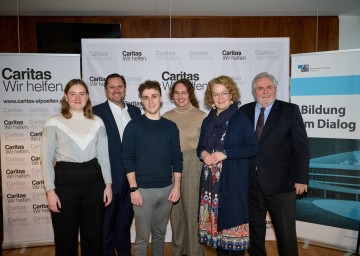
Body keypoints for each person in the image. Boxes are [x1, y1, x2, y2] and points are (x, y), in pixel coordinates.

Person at [240, 72, 310, 256]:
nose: (265, 91)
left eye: (269, 87)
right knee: (255, 232)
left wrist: (302, 178)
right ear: (254, 91)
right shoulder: (243, 112)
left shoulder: (290, 111)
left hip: (282, 185)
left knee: (286, 234)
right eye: (260, 88)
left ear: (275, 89)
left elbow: (302, 147)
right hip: (251, 185)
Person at [40, 79, 112, 256]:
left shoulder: (98, 121)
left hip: (94, 183)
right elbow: (46, 158)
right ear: (66, 97)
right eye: (73, 93)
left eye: (82, 94)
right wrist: (50, 190)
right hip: (65, 182)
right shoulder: (53, 121)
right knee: (65, 238)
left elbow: (103, 156)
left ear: (87, 97)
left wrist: (108, 184)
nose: (77, 97)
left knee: (94, 237)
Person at [197, 75, 258, 256]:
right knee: (218, 242)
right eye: (216, 94)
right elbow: (200, 147)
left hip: (232, 183)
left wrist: (226, 154)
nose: (220, 97)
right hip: (210, 185)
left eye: (224, 93)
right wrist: (203, 154)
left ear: (231, 95)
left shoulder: (240, 119)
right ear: (211, 97)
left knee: (233, 235)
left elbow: (253, 148)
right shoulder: (208, 120)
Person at [122, 80, 183, 256]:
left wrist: (177, 186)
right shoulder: (133, 127)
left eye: (154, 96)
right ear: (141, 100)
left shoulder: (171, 127)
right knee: (141, 238)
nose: (151, 101)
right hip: (142, 192)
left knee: (160, 235)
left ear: (161, 98)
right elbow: (127, 158)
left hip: (167, 190)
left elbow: (177, 158)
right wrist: (134, 188)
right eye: (146, 98)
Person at [93, 73, 141, 256]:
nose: (116, 90)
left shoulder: (135, 112)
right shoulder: (96, 112)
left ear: (125, 89)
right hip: (108, 180)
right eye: (112, 87)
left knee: (123, 226)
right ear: (105, 90)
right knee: (106, 229)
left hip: (131, 180)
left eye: (119, 86)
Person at [163, 79, 207, 256]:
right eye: (177, 93)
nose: (180, 96)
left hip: (193, 164)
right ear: (172, 95)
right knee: (176, 215)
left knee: (192, 214)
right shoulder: (165, 116)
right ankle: (178, 252)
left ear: (190, 94)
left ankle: (195, 252)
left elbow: (206, 146)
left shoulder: (201, 115)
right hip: (170, 165)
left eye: (184, 92)